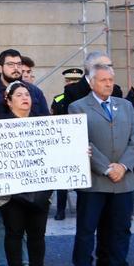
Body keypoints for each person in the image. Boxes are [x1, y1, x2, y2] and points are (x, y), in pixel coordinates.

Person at [70, 64, 134, 266]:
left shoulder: (126, 106)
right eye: (103, 80)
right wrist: (106, 168)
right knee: (87, 229)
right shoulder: (77, 107)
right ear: (91, 83)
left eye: (111, 79)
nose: (109, 84)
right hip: (95, 180)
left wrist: (123, 166)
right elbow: (82, 142)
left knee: (121, 229)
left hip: (124, 180)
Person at [0, 82, 53, 266]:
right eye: (19, 95)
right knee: (13, 233)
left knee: (37, 235)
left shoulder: (43, 124)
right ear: (8, 100)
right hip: (11, 193)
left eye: (28, 94)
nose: (25, 98)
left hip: (39, 190)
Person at [52, 67, 85, 220]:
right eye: (69, 80)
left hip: (81, 141)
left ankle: (81, 209)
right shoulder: (59, 98)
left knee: (81, 179)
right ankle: (60, 210)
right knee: (62, 180)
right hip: (63, 141)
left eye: (75, 81)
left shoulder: (85, 98)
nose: (71, 83)